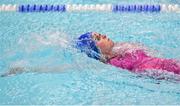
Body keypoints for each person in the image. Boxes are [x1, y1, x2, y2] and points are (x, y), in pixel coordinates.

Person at [76, 32, 180, 75]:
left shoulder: (120, 50)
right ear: (96, 50)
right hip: (161, 73)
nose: (104, 35)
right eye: (98, 38)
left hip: (167, 64)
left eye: (100, 34)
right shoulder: (114, 63)